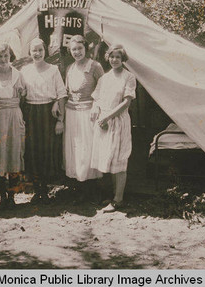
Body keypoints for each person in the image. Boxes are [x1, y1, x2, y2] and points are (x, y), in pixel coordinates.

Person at [90, 44, 136, 212]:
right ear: (107, 58)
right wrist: (96, 109)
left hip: (118, 120)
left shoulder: (128, 77)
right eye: (112, 56)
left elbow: (126, 102)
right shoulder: (104, 78)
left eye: (118, 57)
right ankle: (111, 196)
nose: (114, 60)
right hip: (104, 122)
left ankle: (119, 199)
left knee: (119, 159)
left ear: (122, 59)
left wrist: (107, 117)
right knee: (108, 158)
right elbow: (97, 98)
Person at [21, 38, 67, 204]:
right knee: (32, 150)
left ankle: (46, 190)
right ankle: (37, 189)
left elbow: (61, 94)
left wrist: (60, 120)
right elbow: (20, 93)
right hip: (31, 112)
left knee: (48, 150)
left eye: (40, 50)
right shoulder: (25, 71)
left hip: (49, 113)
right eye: (34, 50)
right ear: (30, 52)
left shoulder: (53, 70)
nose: (37, 53)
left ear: (45, 51)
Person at [0, 44, 26, 209]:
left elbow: (22, 99)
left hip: (14, 115)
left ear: (10, 56)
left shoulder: (18, 75)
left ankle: (12, 196)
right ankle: (2, 196)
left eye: (6, 55)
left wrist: (12, 107)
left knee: (14, 153)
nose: (3, 59)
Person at [64, 35, 104, 201]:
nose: (77, 52)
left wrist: (96, 106)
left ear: (85, 49)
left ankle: (92, 191)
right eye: (73, 49)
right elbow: (66, 91)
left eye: (79, 48)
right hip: (71, 113)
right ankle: (79, 189)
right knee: (74, 150)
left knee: (87, 151)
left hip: (89, 113)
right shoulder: (70, 68)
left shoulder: (95, 66)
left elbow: (103, 89)